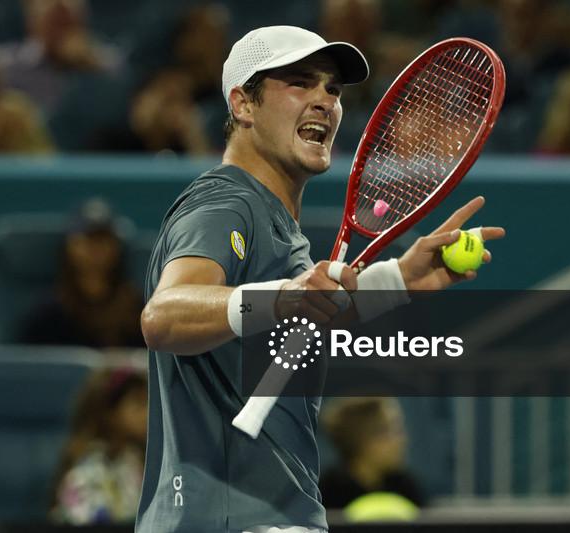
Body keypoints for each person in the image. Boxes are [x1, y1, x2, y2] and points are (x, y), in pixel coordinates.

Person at [137, 25, 505, 533]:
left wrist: (398, 279)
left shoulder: (275, 225)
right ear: (242, 105)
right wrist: (287, 296)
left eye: (331, 89)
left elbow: (292, 321)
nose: (324, 102)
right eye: (299, 83)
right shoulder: (226, 204)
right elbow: (163, 315)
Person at [19, 199, 145, 347]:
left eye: (103, 239)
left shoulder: (137, 311)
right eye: (88, 239)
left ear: (116, 247)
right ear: (69, 246)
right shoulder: (48, 315)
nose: (96, 249)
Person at [50, 367, 147, 525]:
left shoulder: (136, 458)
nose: (147, 414)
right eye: (138, 403)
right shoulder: (86, 466)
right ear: (109, 412)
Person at [319, 398, 425, 513]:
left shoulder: (405, 487)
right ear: (361, 438)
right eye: (389, 430)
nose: (402, 440)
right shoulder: (327, 494)